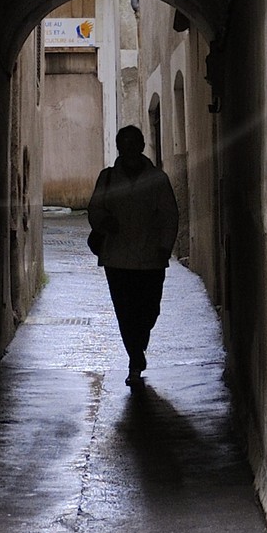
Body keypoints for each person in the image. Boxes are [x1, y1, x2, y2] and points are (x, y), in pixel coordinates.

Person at [87, 124, 180, 387]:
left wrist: (165, 247)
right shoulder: (107, 177)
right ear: (119, 147)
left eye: (133, 142)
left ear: (141, 146)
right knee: (125, 311)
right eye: (123, 143)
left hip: (151, 257)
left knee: (150, 309)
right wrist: (105, 222)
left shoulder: (157, 179)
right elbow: (95, 209)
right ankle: (135, 358)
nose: (128, 148)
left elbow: (169, 215)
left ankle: (138, 347)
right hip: (117, 258)